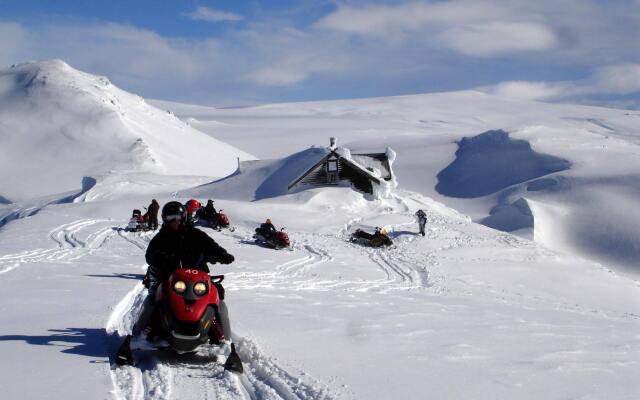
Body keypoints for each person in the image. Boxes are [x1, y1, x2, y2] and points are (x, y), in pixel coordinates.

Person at [133, 201, 235, 340]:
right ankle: (142, 334)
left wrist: (222, 255)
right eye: (170, 218)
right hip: (170, 277)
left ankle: (221, 336)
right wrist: (163, 258)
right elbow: (150, 255)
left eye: (178, 217)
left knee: (217, 297)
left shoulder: (196, 234)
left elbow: (211, 246)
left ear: (184, 216)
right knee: (153, 299)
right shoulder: (162, 237)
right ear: (165, 219)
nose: (175, 221)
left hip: (197, 276)